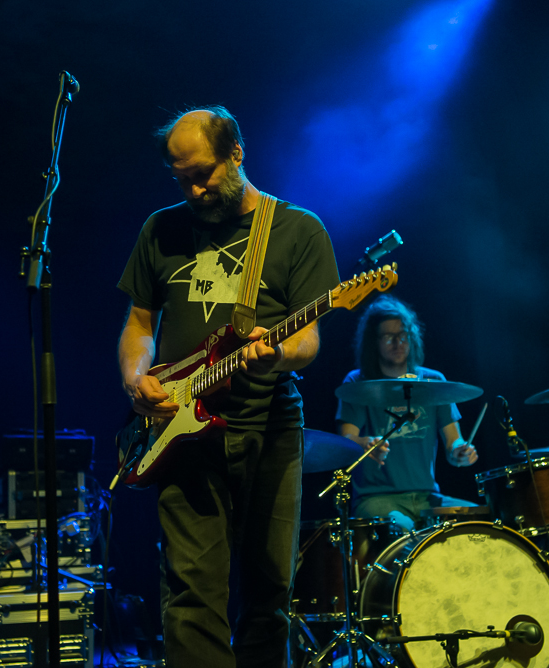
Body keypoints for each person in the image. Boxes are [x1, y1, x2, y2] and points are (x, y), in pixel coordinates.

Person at [117, 106, 339, 668]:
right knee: (191, 592)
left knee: (269, 593)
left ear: (236, 153)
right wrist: (135, 375)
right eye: (181, 177)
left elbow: (308, 341)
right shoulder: (160, 229)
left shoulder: (297, 229)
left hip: (268, 423)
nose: (193, 188)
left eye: (204, 173)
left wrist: (277, 354)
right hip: (179, 429)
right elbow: (140, 324)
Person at [335, 295, 478, 531]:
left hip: (427, 497)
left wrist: (460, 452)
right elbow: (344, 441)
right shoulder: (358, 382)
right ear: (374, 342)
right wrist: (363, 443)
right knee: (404, 529)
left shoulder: (433, 382)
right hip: (376, 499)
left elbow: (454, 443)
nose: (398, 343)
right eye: (389, 337)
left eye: (403, 336)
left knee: (481, 522)